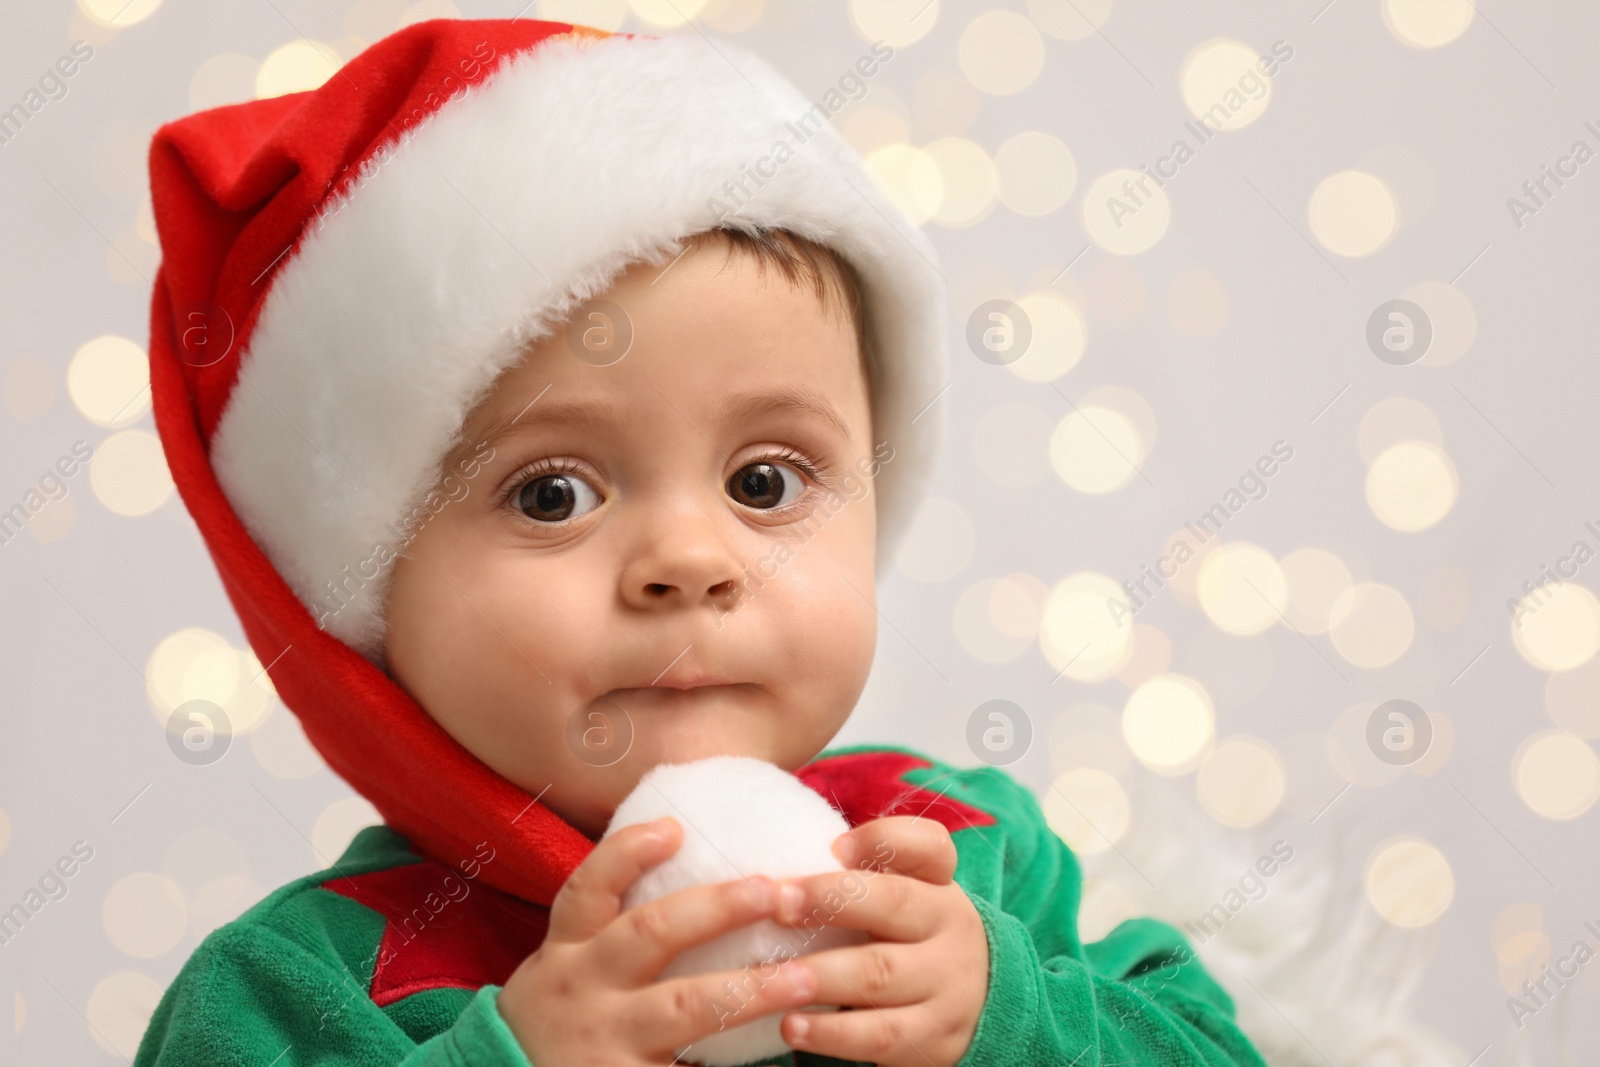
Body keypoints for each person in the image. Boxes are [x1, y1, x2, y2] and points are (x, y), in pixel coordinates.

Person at [135, 17, 1268, 1066]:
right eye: (550, 495)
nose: (691, 556)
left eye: (763, 480)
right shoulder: (302, 984)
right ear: (367, 598)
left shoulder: (957, 849)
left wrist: (1011, 1015)